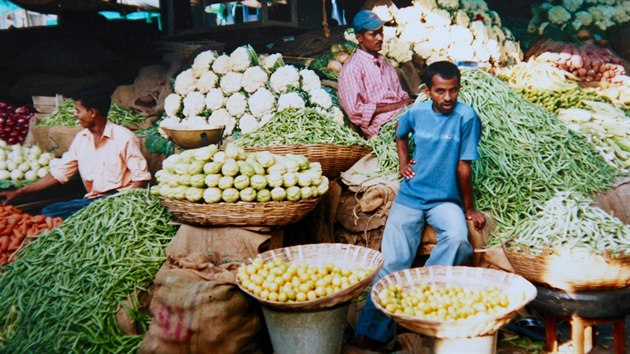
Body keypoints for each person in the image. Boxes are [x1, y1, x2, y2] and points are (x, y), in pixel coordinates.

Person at [350, 61, 486, 352]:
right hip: (410, 197)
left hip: (445, 200)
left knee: (459, 239)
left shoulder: (467, 117)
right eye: (440, 91)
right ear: (427, 91)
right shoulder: (416, 112)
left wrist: (468, 208)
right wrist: (403, 161)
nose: (448, 98)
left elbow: (464, 167)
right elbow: (400, 134)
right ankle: (371, 332)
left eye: (453, 91)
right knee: (393, 263)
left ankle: (422, 294)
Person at [0, 88, 151, 219]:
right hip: (92, 201)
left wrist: (119, 204)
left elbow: (141, 178)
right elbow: (58, 174)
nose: (74, 114)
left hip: (117, 199)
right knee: (49, 212)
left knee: (86, 215)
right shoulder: (81, 139)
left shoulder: (123, 137)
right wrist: (19, 192)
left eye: (78, 110)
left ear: (92, 112)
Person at [338, 10, 414, 138]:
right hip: (382, 126)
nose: (380, 38)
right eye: (373, 34)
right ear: (359, 38)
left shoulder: (385, 64)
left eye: (381, 33)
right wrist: (395, 106)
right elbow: (355, 112)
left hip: (402, 113)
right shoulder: (352, 69)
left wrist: (409, 101)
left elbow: (400, 96)